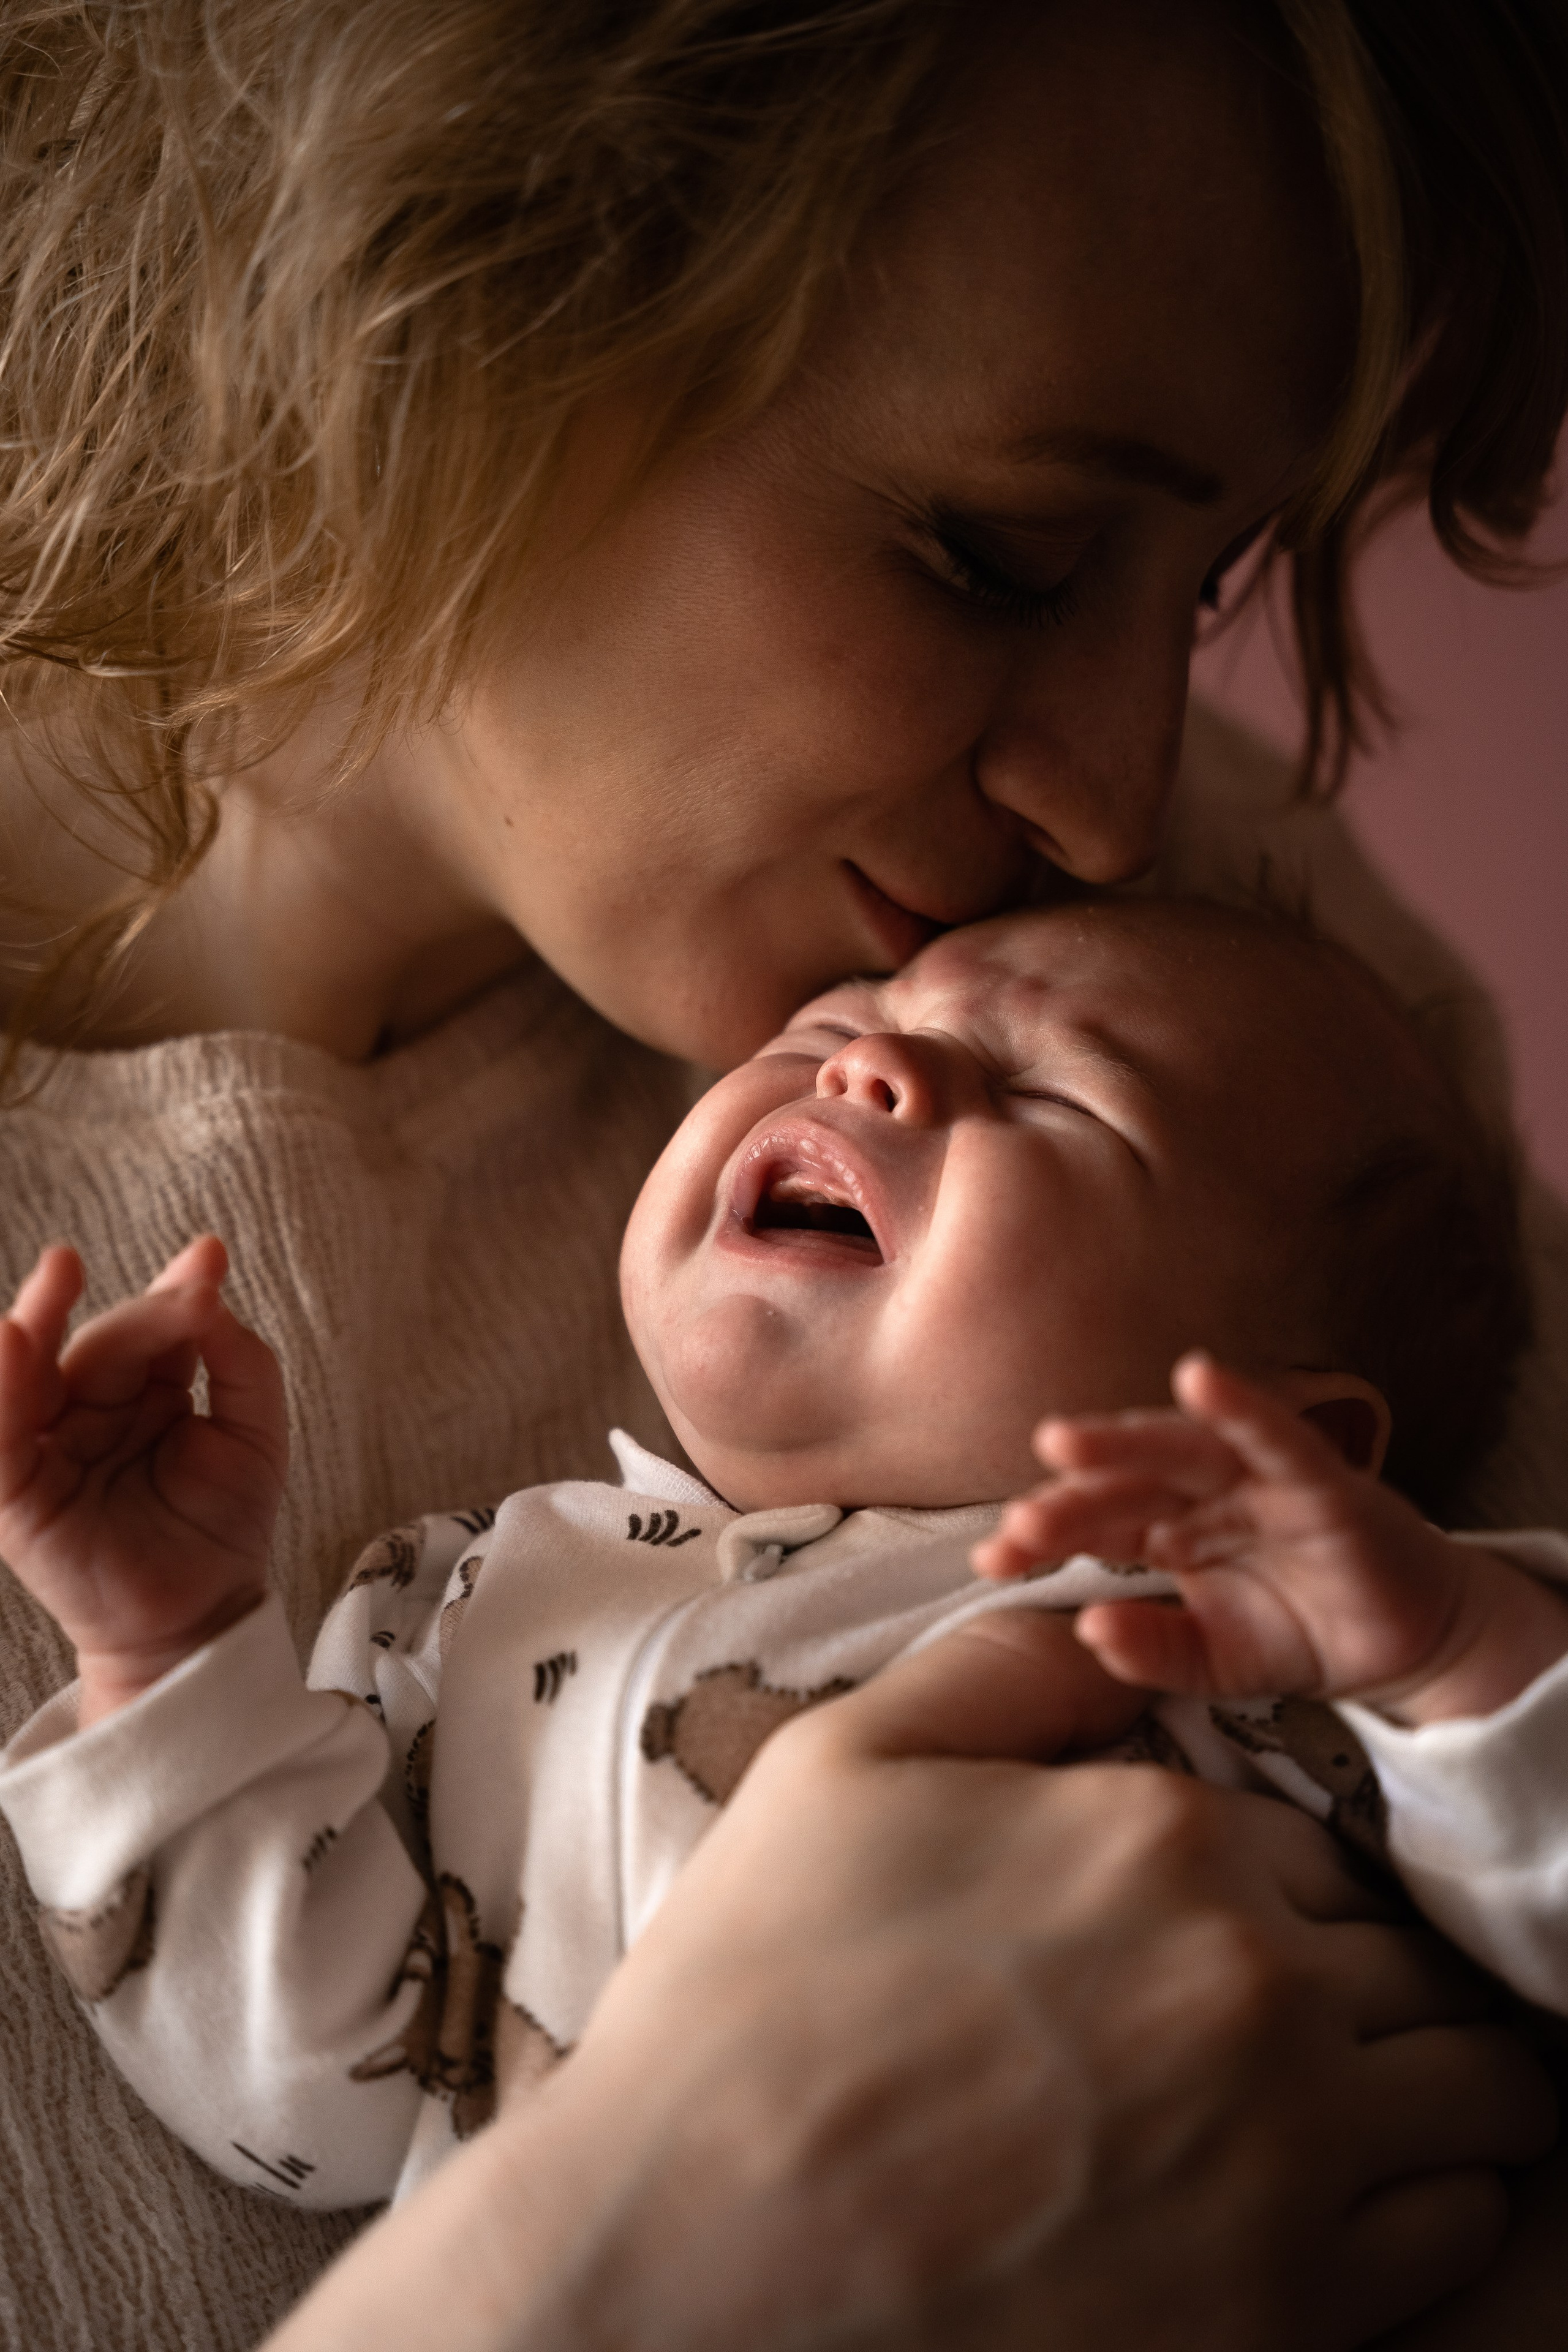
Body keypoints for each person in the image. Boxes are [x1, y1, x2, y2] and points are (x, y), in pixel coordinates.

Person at [1, 0, 1566, 2345]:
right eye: (1001, 550)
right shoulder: (489, 1612)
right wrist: (663, 2239)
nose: (1117, 807)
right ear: (431, 290)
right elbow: (333, 2059)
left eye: (1210, 586)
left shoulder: (1239, 1006)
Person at [1, 891, 1566, 2226]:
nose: (874, 1064)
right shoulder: (472, 1596)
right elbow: (311, 2108)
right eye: (831, 1018)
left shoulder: (1239, 1632)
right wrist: (177, 1651)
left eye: (1058, 1095)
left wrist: (1450, 1661)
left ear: (1286, 1446)